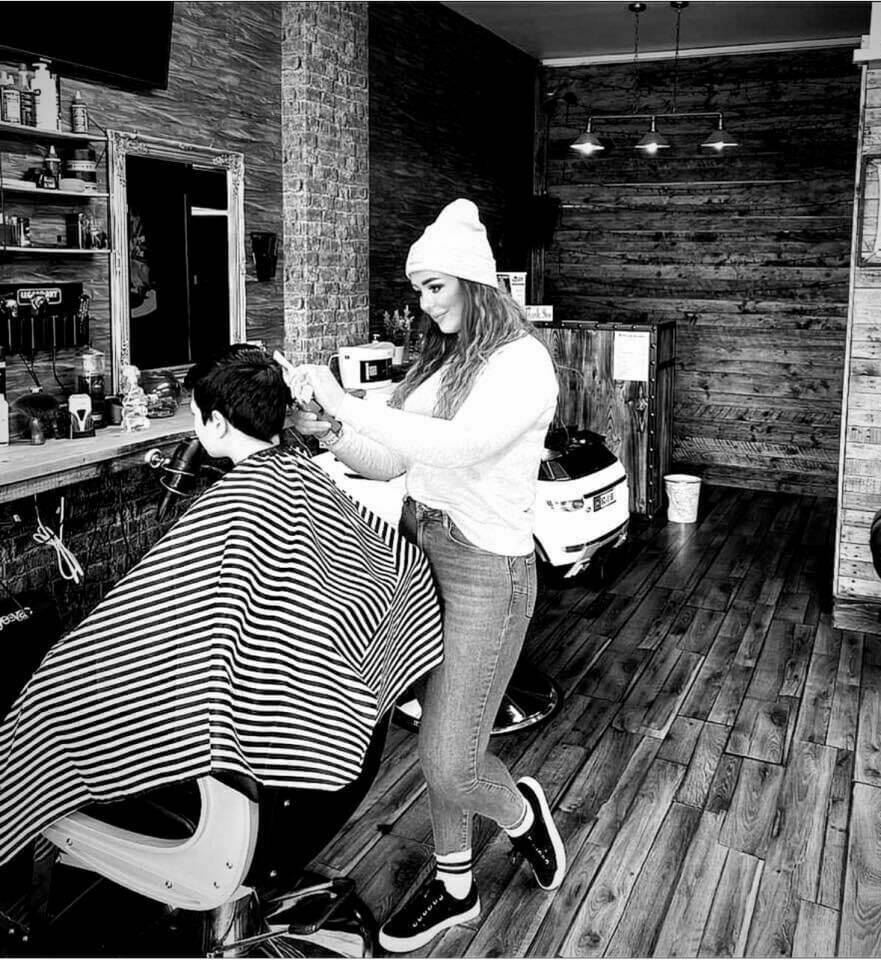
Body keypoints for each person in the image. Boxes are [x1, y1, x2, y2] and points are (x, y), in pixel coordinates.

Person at [0, 345, 444, 870]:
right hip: (329, 775)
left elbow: (162, 642)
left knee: (51, 706)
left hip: (258, 799)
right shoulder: (300, 480)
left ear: (215, 423)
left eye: (195, 414)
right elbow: (405, 572)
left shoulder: (240, 508)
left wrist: (49, 694)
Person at [291, 198, 566, 953]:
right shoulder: (443, 360)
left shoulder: (522, 364)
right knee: (440, 741)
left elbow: (458, 447)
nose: (425, 303)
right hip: (421, 551)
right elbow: (396, 459)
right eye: (418, 290)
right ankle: (455, 890)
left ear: (474, 282)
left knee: (452, 759)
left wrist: (347, 400)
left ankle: (521, 817)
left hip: (485, 572)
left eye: (435, 287)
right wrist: (335, 429)